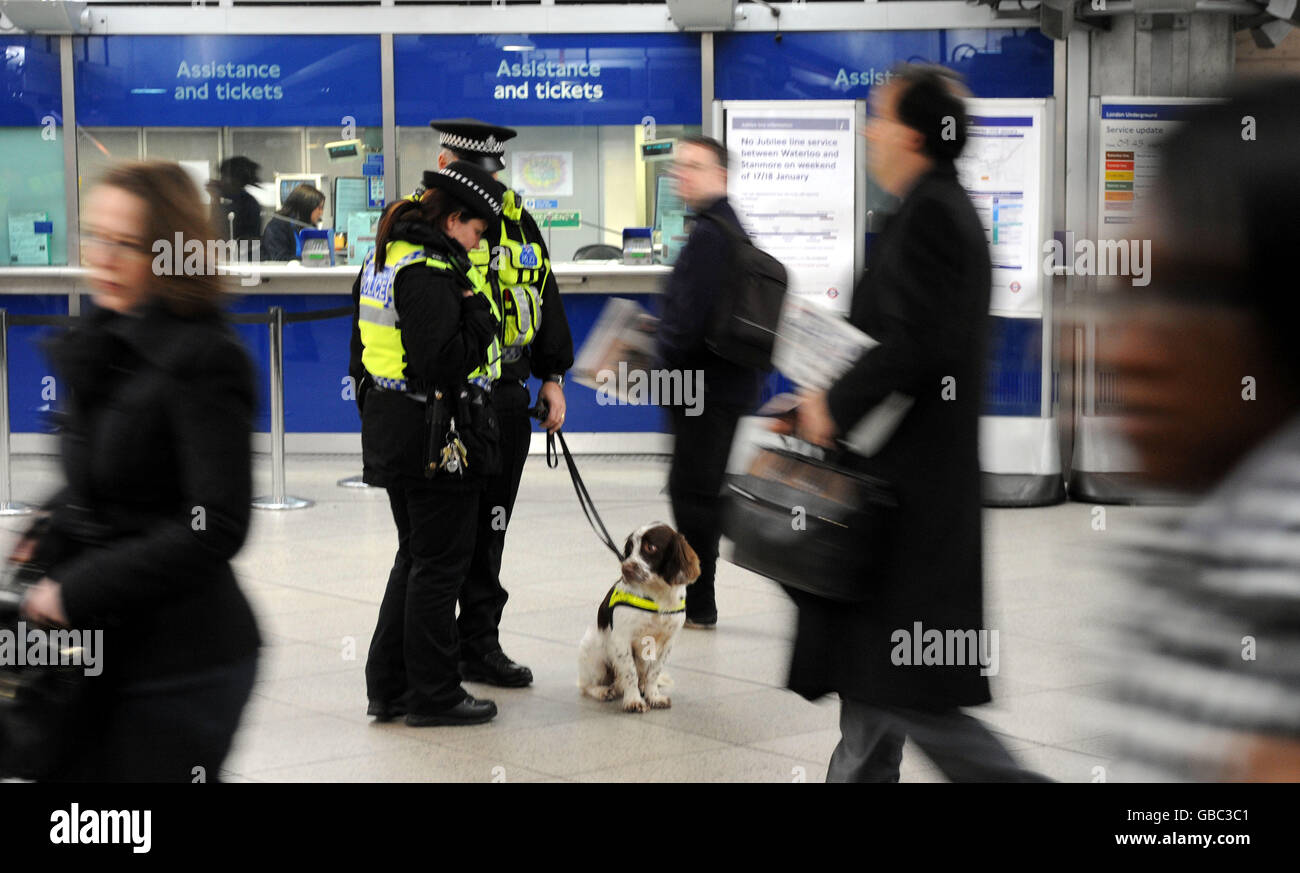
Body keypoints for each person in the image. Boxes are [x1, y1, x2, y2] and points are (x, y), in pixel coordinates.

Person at [784, 65, 1040, 782]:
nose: (869, 129)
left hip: (910, 506)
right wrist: (818, 398)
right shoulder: (928, 208)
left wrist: (832, 406)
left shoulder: (931, 214)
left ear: (915, 133)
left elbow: (915, 346)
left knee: (917, 697)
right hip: (901, 496)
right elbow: (895, 341)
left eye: (877, 115)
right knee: (878, 691)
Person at [15, 161, 260, 781]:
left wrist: (77, 589)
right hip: (104, 648)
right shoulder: (104, 338)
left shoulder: (206, 360)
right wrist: (52, 522)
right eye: (94, 237)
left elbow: (214, 525)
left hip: (182, 660)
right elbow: (106, 475)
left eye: (126, 244)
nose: (102, 257)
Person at [1098, 79, 1300, 781]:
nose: (1127, 350)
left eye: (1187, 292)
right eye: (1130, 296)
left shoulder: (1277, 574)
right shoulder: (1216, 545)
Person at [355, 160, 509, 726]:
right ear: (452, 221)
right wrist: (480, 316)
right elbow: (442, 360)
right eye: (476, 229)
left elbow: (362, 358)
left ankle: (390, 686)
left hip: (396, 428)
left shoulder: (386, 258)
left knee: (415, 559)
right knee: (440, 566)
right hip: (435, 437)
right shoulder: (431, 274)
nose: (480, 241)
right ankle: (433, 694)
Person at [427, 118, 574, 687]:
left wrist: (553, 374)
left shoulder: (519, 222)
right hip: (446, 399)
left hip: (506, 398)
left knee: (491, 528)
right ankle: (435, 653)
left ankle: (479, 646)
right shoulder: (424, 221)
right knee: (446, 537)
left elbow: (544, 293)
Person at [655, 135, 764, 629]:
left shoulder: (710, 235)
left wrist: (652, 354)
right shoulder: (727, 226)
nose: (683, 175)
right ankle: (700, 596)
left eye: (694, 167)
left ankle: (699, 601)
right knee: (699, 488)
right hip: (722, 386)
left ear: (720, 173)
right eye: (678, 167)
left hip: (701, 388)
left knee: (692, 492)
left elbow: (686, 323)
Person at [260, 183, 325, 261]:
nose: (321, 212)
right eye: (319, 208)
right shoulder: (277, 227)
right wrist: (311, 258)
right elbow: (280, 258)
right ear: (307, 207)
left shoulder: (308, 226)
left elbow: (315, 255)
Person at [208, 156, 263, 243]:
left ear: (235, 180)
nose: (221, 181)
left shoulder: (246, 204)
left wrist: (215, 200)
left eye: (223, 177)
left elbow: (217, 233)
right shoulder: (239, 201)